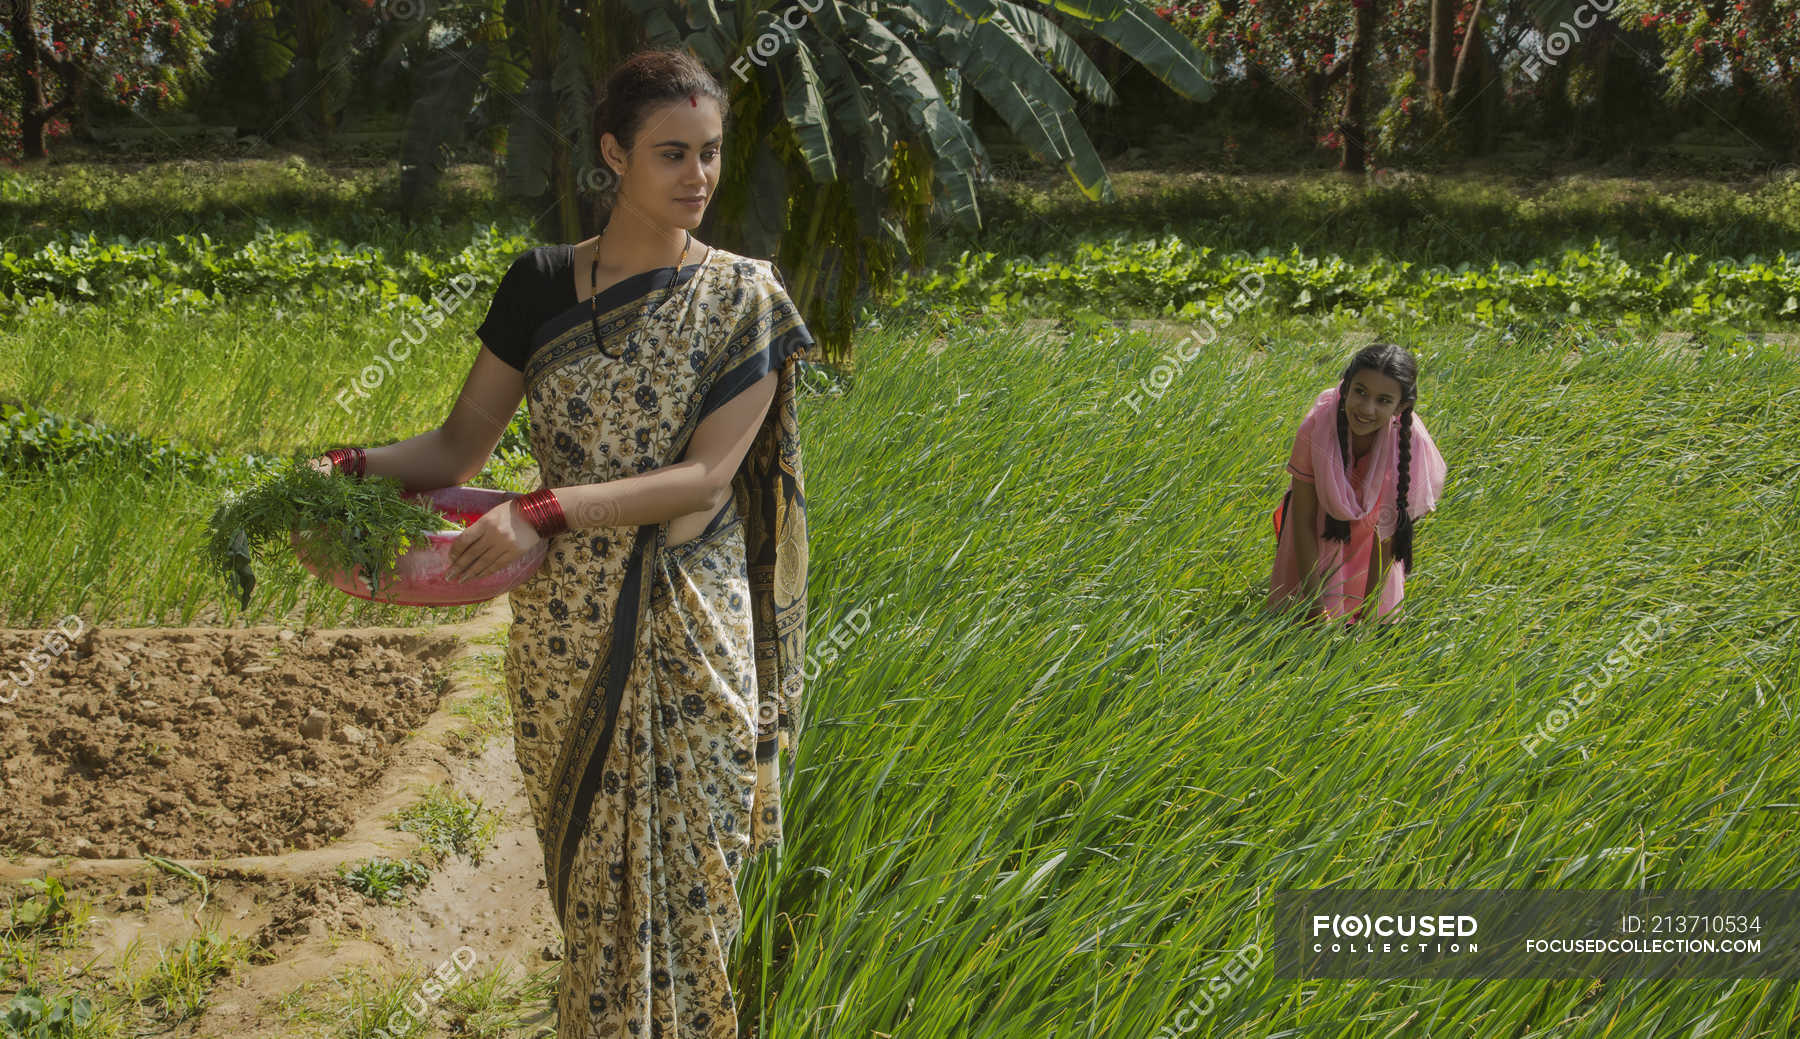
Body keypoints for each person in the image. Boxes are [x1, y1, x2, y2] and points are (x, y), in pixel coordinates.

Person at [311, 48, 812, 1038]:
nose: (698, 177)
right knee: (591, 887)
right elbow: (460, 445)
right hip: (565, 636)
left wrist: (542, 511)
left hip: (693, 626)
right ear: (613, 155)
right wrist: (347, 468)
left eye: (711, 154)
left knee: (698, 885)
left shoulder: (746, 299)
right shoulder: (540, 283)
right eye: (672, 153)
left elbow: (706, 477)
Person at [1267, 342, 1446, 626]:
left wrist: (1368, 618)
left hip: (1369, 539)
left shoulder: (1409, 442)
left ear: (1401, 406)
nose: (1367, 408)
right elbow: (1301, 519)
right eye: (1360, 392)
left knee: (1365, 627)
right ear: (1346, 387)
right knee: (1296, 623)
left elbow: (1385, 539)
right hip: (1315, 532)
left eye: (1383, 400)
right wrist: (1315, 610)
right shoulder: (1317, 425)